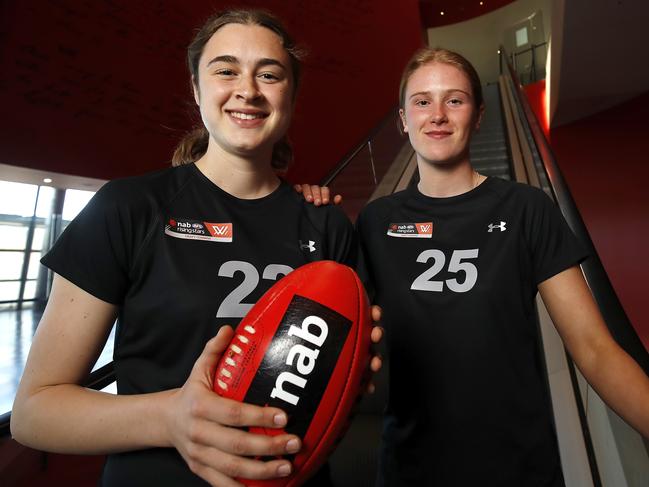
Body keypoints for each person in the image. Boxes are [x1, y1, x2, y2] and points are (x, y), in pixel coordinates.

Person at [11, 9, 381, 487]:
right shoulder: (129, 208)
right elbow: (34, 412)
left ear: (291, 94)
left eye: (269, 74)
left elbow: (346, 379)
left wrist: (348, 376)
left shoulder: (326, 224)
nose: (247, 90)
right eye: (226, 70)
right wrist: (170, 418)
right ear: (195, 87)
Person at [298, 47, 649, 486]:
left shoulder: (526, 208)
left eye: (455, 99)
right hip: (410, 468)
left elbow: (596, 350)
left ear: (478, 115)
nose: (438, 114)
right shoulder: (376, 220)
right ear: (404, 120)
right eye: (422, 101)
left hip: (518, 468)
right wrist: (307, 210)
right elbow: (338, 339)